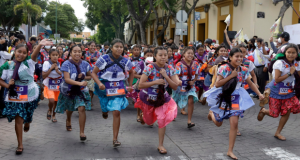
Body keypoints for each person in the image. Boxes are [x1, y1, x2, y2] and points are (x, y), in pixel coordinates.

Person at [204, 48, 264, 160]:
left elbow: (250, 83)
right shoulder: (224, 68)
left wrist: (259, 94)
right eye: (237, 56)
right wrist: (231, 76)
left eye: (241, 56)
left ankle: (230, 151)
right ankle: (212, 113)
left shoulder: (244, 69)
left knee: (234, 123)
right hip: (223, 95)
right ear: (230, 57)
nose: (239, 58)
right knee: (218, 123)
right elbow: (217, 84)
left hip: (236, 98)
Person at [0, 39, 52, 155]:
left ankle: (28, 121)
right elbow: (0, 80)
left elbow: (34, 55)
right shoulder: (7, 65)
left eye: (24, 53)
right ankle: (20, 144)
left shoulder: (29, 62)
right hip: (15, 96)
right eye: (19, 52)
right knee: (18, 119)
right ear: (15, 52)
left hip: (30, 94)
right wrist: (7, 85)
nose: (21, 54)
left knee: (28, 114)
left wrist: (39, 45)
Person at [134, 46, 178, 154]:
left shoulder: (170, 68)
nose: (163, 57)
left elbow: (175, 86)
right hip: (148, 98)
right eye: (160, 55)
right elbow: (141, 85)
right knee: (149, 122)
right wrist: (155, 82)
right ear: (155, 56)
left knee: (162, 120)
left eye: (165, 55)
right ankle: (143, 117)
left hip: (162, 98)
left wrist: (166, 77)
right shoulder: (149, 67)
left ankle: (161, 145)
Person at [92, 39, 134, 147]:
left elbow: (132, 72)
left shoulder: (126, 61)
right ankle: (104, 111)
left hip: (118, 86)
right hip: (104, 86)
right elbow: (93, 72)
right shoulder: (103, 59)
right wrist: (99, 83)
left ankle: (115, 139)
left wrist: (129, 86)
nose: (119, 49)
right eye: (117, 46)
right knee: (105, 108)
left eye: (121, 47)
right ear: (111, 48)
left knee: (116, 111)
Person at [257, 44, 300, 141]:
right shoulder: (280, 63)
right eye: (289, 52)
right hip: (276, 90)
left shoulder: (297, 63)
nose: (291, 55)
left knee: (287, 111)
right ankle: (264, 111)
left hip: (289, 91)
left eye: (293, 53)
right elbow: (276, 79)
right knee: (274, 113)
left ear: (297, 54)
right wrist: (290, 72)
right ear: (285, 53)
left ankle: (278, 132)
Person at [55, 45, 92, 141]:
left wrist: (84, 76)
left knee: (81, 108)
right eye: (75, 51)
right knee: (70, 108)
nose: (77, 53)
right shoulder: (66, 64)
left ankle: (82, 132)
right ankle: (68, 119)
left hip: (81, 91)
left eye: (79, 51)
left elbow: (90, 76)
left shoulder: (85, 64)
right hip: (69, 90)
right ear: (70, 53)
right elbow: (67, 79)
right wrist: (79, 82)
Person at [172, 46, 199, 128]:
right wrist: (178, 81)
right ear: (184, 54)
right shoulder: (179, 64)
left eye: (192, 53)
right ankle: (173, 114)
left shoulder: (196, 64)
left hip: (190, 86)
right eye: (188, 53)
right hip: (180, 86)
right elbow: (176, 75)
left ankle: (189, 121)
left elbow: (197, 74)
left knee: (191, 100)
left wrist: (193, 81)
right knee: (175, 100)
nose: (190, 55)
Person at [131, 50, 153, 123]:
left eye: (151, 55)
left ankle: (148, 118)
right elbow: (133, 74)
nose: (149, 57)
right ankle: (138, 114)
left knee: (151, 101)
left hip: (152, 85)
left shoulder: (155, 64)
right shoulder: (140, 64)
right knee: (140, 100)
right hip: (141, 85)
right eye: (148, 55)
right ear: (144, 56)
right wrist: (143, 76)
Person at [42, 49, 62, 123]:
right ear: (49, 56)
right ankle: (49, 110)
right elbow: (44, 75)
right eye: (53, 55)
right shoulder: (46, 63)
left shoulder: (59, 63)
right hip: (49, 83)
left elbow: (63, 74)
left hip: (57, 84)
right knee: (51, 100)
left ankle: (54, 115)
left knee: (56, 101)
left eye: (56, 55)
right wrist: (51, 68)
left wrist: (57, 71)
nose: (55, 57)